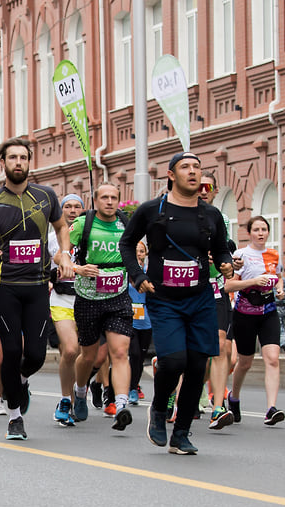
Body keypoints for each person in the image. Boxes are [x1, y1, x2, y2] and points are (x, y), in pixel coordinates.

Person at [119, 152, 233, 455]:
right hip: (164, 298)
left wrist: (226, 264)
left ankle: (181, 433)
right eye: (186, 167)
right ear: (171, 175)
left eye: (197, 167)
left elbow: (221, 249)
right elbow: (127, 243)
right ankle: (158, 408)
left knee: (198, 364)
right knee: (173, 361)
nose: (193, 172)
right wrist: (136, 274)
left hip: (200, 297)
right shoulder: (151, 210)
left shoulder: (210, 215)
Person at [0, 137, 74, 440]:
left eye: (23, 157)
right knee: (11, 352)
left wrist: (65, 253)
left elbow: (61, 227)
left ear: (30, 162)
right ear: (2, 163)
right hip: (5, 286)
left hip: (39, 285)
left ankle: (22, 381)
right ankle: (14, 417)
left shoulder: (46, 195)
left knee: (37, 355)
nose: (18, 162)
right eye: (12, 158)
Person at [71, 183, 136, 432]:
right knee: (88, 355)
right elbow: (60, 255)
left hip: (118, 295)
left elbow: (135, 253)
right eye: (104, 197)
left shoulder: (125, 225)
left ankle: (120, 405)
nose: (109, 202)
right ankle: (79, 391)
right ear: (95, 200)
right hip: (87, 296)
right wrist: (79, 268)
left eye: (114, 198)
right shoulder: (81, 225)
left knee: (120, 352)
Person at [225, 216, 285, 425]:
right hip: (244, 315)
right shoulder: (241, 255)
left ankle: (271, 408)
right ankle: (234, 397)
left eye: (264, 229)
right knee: (245, 362)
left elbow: (278, 279)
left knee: (272, 358)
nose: (261, 233)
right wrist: (253, 281)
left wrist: (279, 290)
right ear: (249, 233)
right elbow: (228, 286)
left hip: (268, 312)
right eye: (256, 229)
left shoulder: (275, 255)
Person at [197, 172, 237, 430]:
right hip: (189, 290)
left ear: (215, 190)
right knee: (193, 353)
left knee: (221, 346)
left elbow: (225, 250)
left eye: (208, 187)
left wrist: (228, 264)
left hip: (217, 289)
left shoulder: (220, 218)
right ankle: (175, 394)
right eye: (198, 186)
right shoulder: (179, 214)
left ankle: (218, 406)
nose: (203, 191)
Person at [47, 194, 85, 427]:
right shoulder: (54, 238)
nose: (72, 210)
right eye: (67, 207)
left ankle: (79, 394)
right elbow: (57, 258)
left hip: (88, 299)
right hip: (62, 298)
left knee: (88, 355)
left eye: (77, 206)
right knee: (70, 350)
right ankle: (65, 400)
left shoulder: (91, 236)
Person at [128, 241, 152, 404]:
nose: (139, 254)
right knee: (134, 354)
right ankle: (130, 388)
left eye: (142, 251)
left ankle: (135, 385)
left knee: (141, 357)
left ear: (146, 254)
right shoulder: (127, 271)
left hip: (146, 320)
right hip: (129, 319)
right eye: (136, 251)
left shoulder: (149, 273)